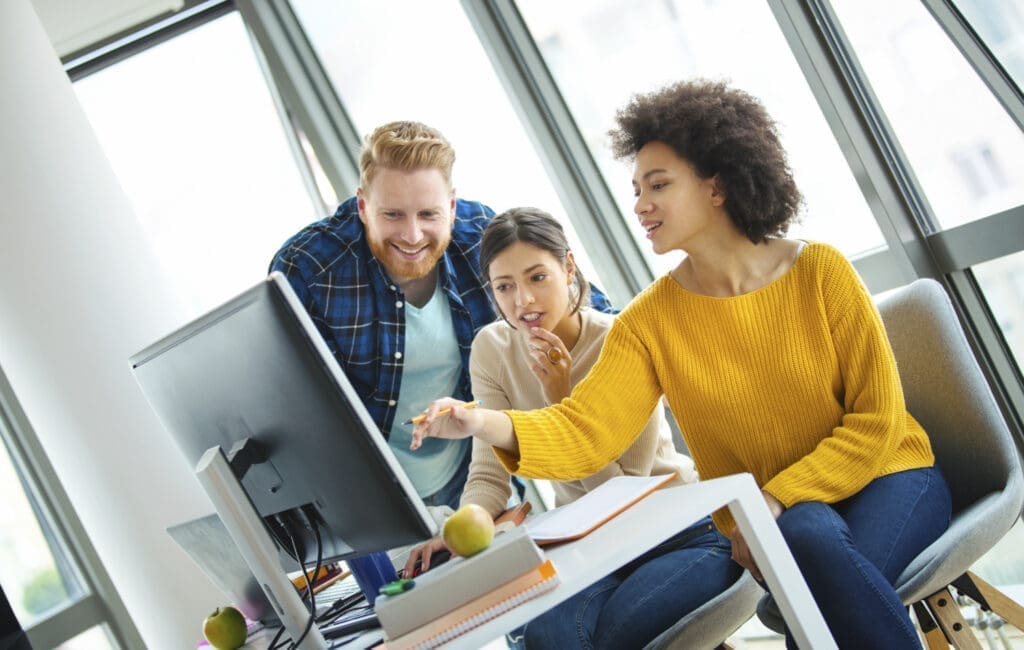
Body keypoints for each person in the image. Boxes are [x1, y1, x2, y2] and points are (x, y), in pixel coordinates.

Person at [410, 81, 952, 648]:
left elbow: (877, 420)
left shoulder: (821, 271)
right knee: (807, 547)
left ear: (717, 185)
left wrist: (773, 497)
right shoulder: (651, 320)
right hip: (784, 518)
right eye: (637, 188)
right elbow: (587, 429)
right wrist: (480, 421)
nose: (640, 205)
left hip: (890, 476)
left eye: (658, 185)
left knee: (807, 554)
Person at [404, 207, 740, 648]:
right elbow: (489, 472)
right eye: (505, 286)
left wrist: (561, 398)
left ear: (567, 267)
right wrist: (459, 529)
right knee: (547, 635)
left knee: (615, 636)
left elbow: (624, 494)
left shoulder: (618, 339)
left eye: (537, 277)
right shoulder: (492, 348)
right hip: (593, 547)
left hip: (677, 530)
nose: (522, 301)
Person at [269, 121, 612, 509]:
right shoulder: (309, 269)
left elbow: (592, 315)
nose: (413, 235)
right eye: (393, 215)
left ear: (451, 205)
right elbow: (296, 406)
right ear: (363, 206)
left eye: (429, 214)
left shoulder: (481, 236)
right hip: (365, 493)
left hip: (471, 472)